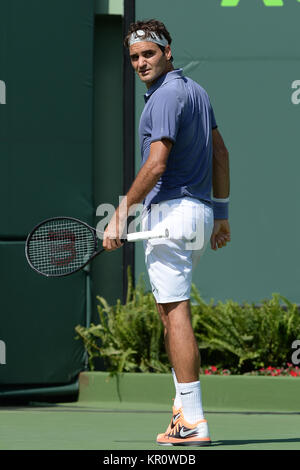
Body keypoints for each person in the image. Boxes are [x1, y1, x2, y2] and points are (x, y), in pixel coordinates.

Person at [103, 19, 230, 446]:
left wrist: (120, 214)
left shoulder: (163, 98)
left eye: (148, 54)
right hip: (197, 214)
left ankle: (193, 420)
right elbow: (221, 153)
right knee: (169, 311)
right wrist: (222, 215)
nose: (140, 62)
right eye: (134, 57)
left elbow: (156, 164)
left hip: (170, 215)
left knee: (175, 314)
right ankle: (183, 415)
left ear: (167, 51)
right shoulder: (197, 92)